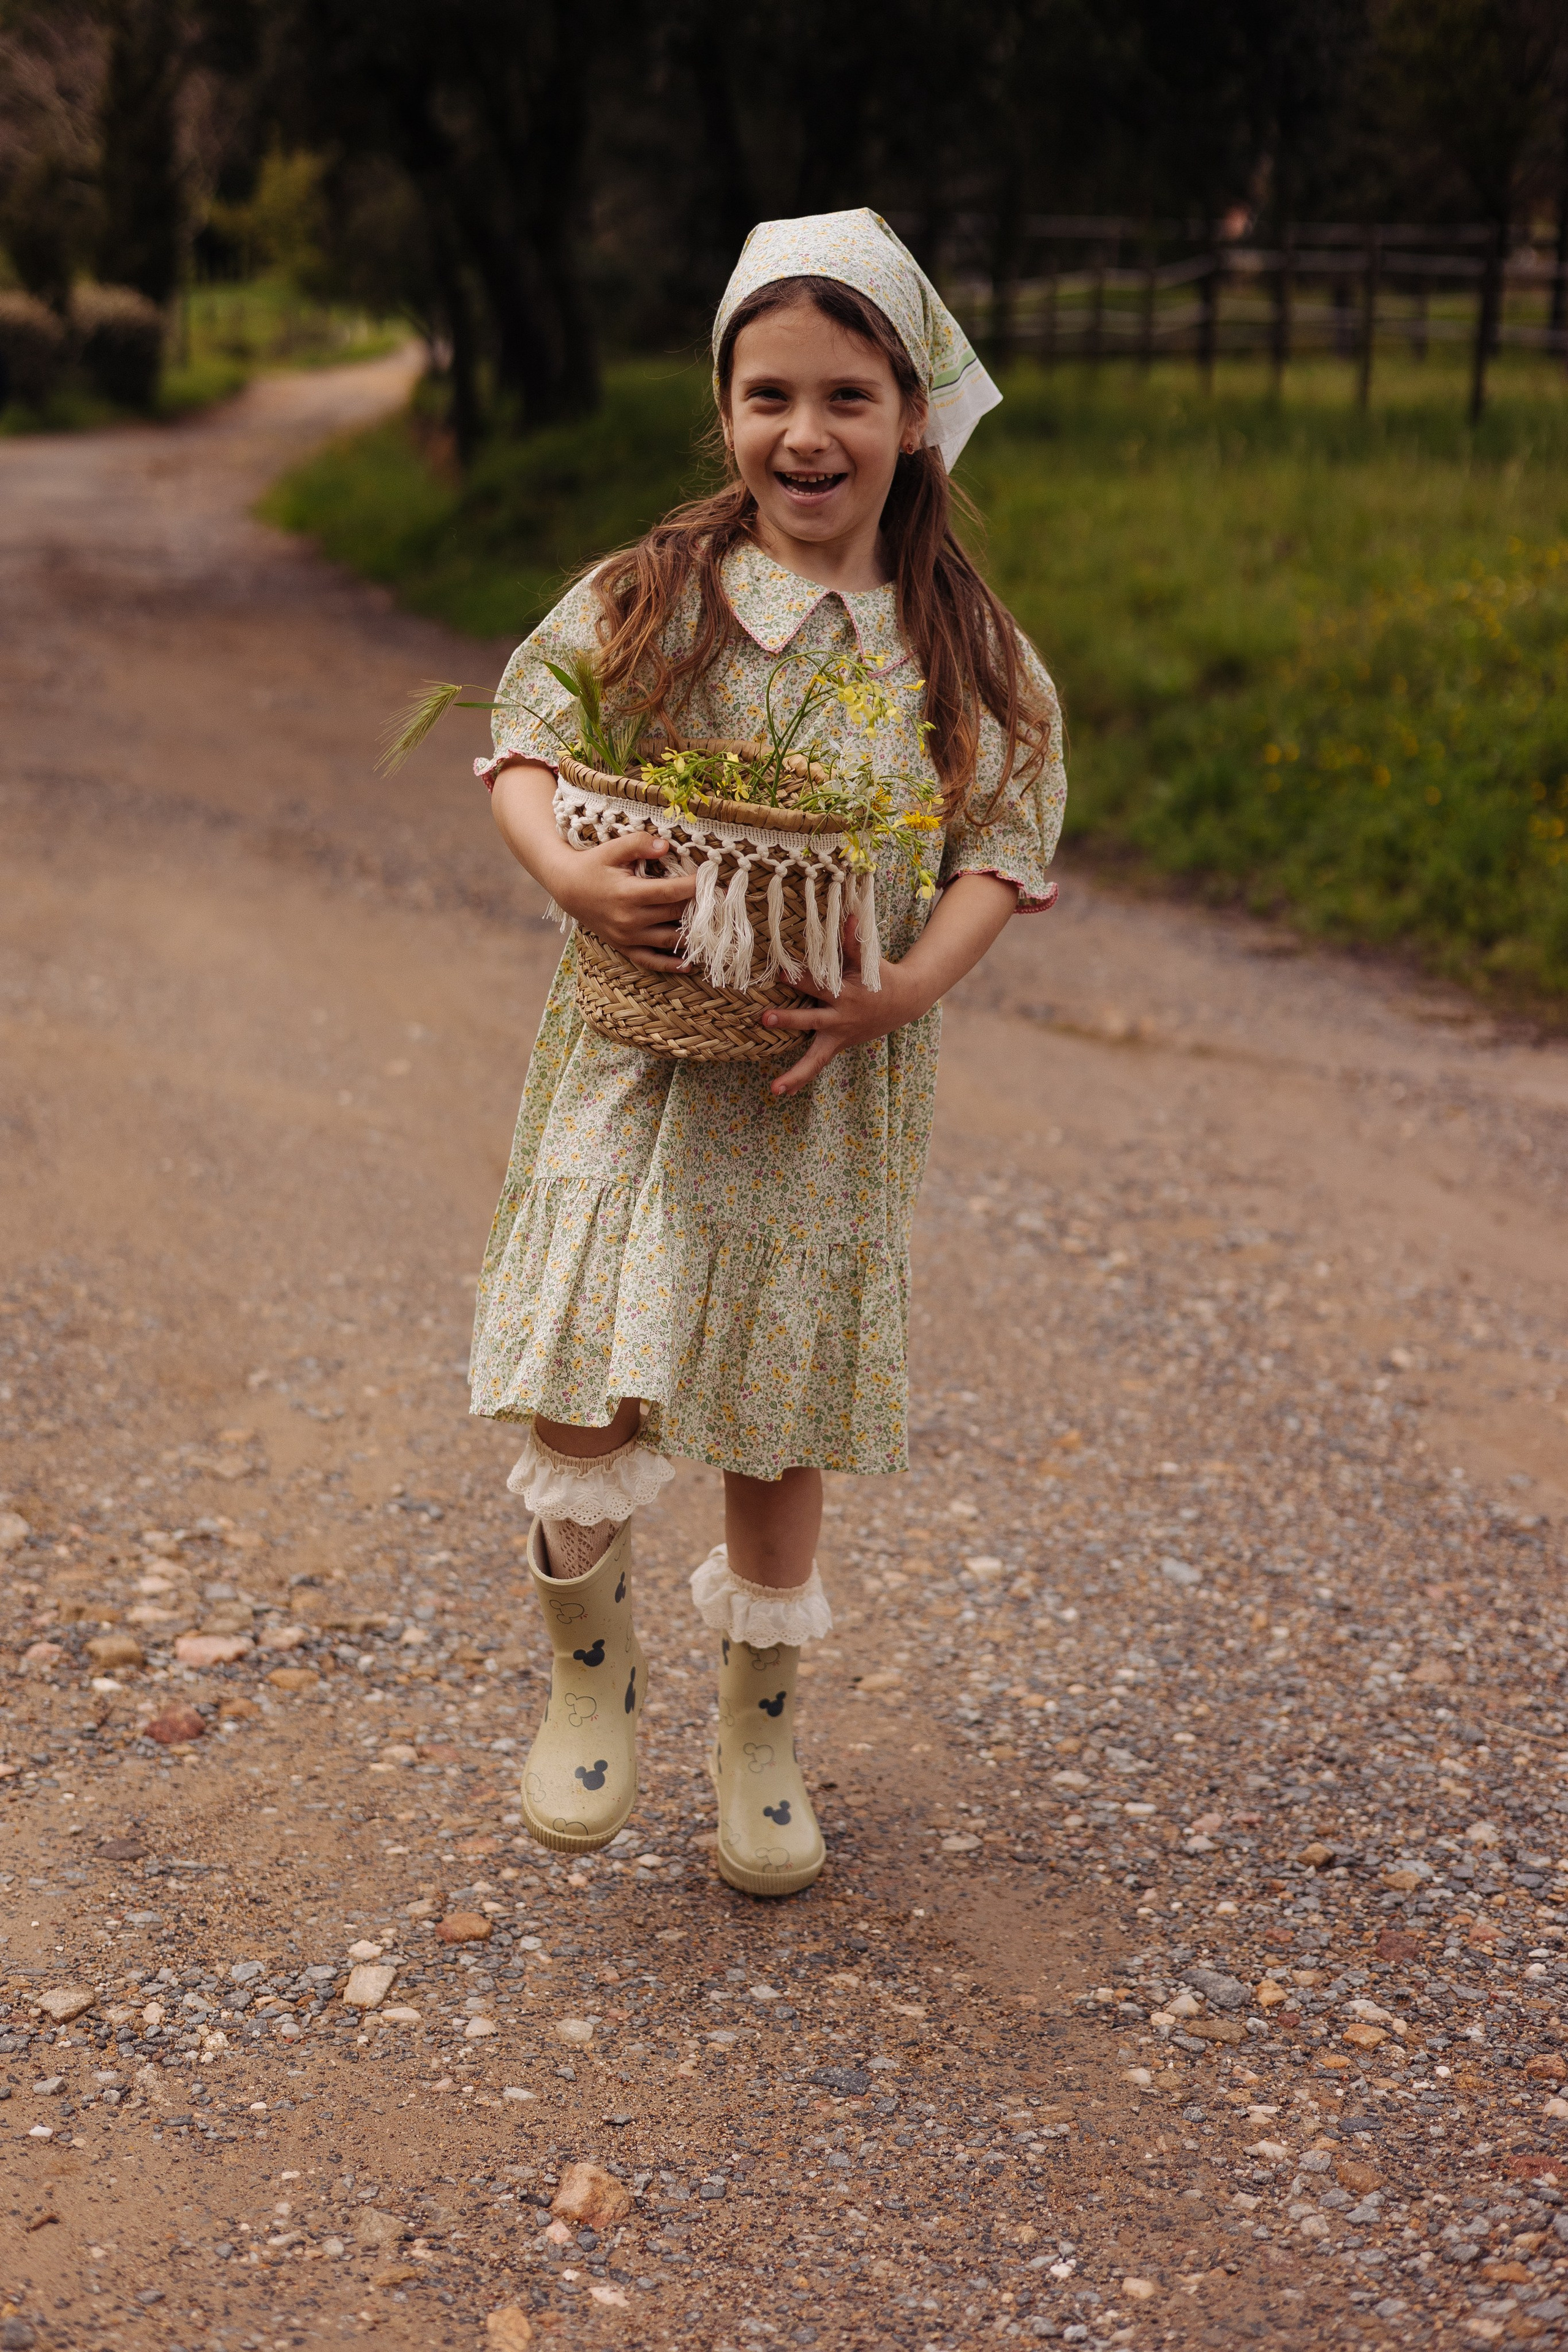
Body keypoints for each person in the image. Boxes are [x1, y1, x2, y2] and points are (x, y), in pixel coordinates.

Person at [470, 207, 1066, 1897]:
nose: (806, 435)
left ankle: (760, 1725)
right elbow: (523, 734)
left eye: (849, 396)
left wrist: (899, 993)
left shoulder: (963, 645)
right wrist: (571, 873)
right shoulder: (655, 593)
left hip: (819, 1078)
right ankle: (591, 1673)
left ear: (914, 412)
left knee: (772, 1404)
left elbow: (1003, 851)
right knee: (582, 1367)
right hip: (639, 1056)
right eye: (769, 395)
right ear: (725, 409)